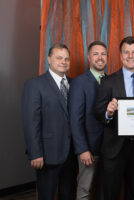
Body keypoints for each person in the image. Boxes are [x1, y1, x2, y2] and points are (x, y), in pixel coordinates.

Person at [94, 36, 134, 200]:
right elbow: (98, 110)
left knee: (133, 190)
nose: (130, 56)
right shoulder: (108, 81)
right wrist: (108, 112)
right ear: (120, 55)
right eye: (126, 52)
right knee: (111, 192)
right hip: (114, 147)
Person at [22, 44, 77, 200]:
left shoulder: (75, 84)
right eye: (59, 58)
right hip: (46, 155)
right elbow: (31, 122)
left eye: (66, 58)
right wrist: (35, 153)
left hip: (71, 154)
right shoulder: (35, 85)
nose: (63, 62)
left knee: (68, 195)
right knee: (46, 196)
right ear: (49, 59)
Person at [69, 41, 107, 199]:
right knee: (84, 189)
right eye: (96, 54)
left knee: (104, 190)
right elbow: (75, 119)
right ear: (89, 57)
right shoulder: (79, 82)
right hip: (88, 149)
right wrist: (82, 149)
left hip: (109, 148)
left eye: (103, 54)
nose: (100, 57)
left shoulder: (111, 80)